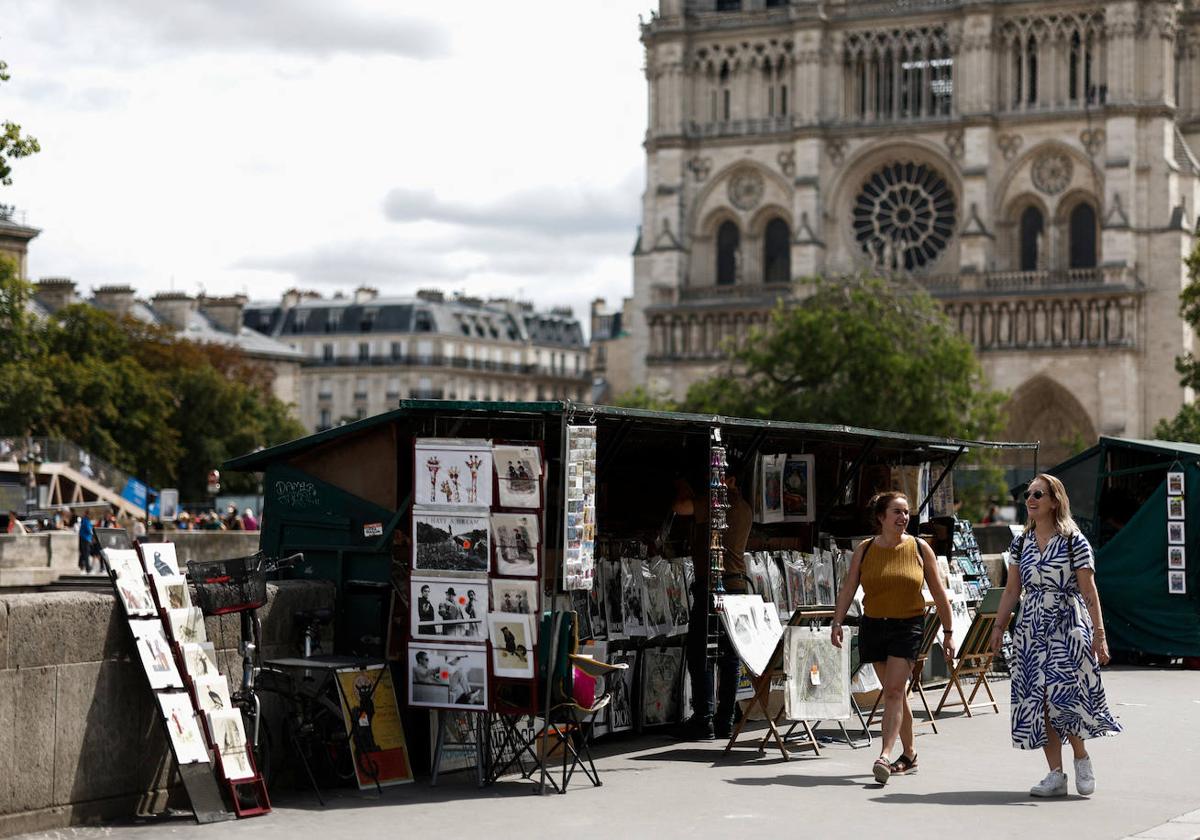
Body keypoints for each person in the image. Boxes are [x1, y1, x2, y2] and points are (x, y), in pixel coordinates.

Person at [988, 474, 1121, 797]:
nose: (1030, 500)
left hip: (1067, 623)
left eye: (1038, 494)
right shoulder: (1021, 543)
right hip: (1032, 625)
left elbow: (1089, 591)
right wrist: (998, 627)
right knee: (1040, 700)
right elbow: (1011, 590)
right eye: (1028, 495)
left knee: (1065, 697)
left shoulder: (1074, 540)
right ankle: (1055, 774)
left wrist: (1099, 634)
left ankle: (1081, 758)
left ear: (1054, 500)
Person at [831, 491, 955, 785]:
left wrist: (949, 633)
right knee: (895, 694)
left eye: (906, 512)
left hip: (907, 626)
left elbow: (939, 594)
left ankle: (884, 755)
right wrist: (837, 621)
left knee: (894, 692)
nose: (904, 518)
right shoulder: (865, 549)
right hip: (874, 626)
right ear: (881, 517)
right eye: (897, 512)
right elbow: (849, 588)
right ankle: (910, 755)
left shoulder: (919, 548)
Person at [675, 462, 752, 741]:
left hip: (713, 589)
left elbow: (681, 507)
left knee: (701, 654)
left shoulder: (717, 503)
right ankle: (725, 720)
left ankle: (703, 719)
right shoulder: (743, 506)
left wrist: (683, 485)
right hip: (737, 587)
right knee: (729, 659)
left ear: (729, 479)